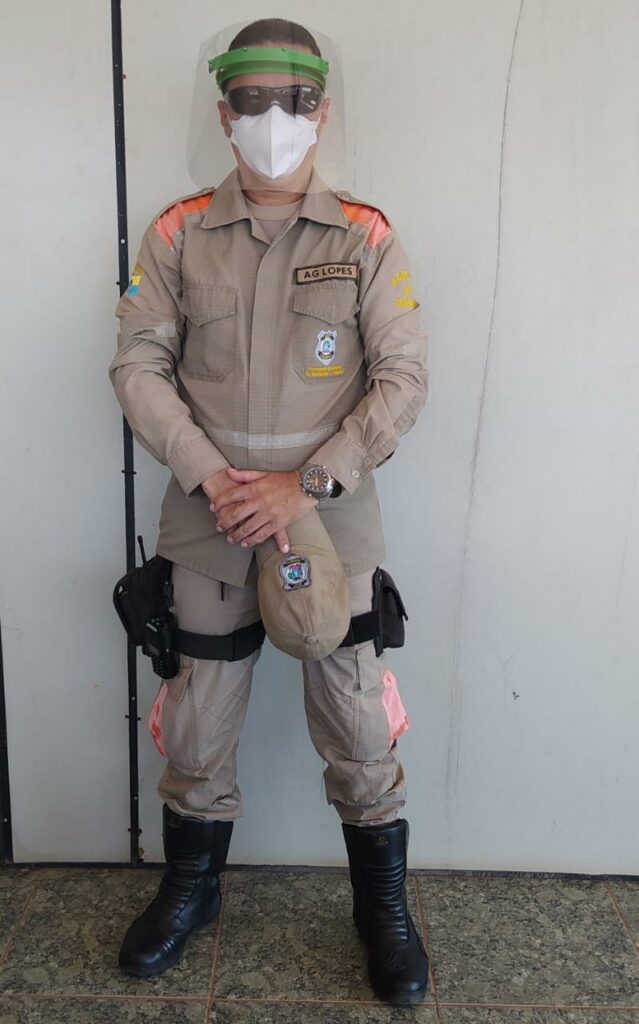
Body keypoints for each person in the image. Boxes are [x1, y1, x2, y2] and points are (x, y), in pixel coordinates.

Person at [109, 17, 430, 1006]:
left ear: (320, 111)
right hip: (209, 525)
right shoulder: (175, 233)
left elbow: (403, 379)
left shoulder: (365, 234)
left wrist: (307, 484)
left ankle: (382, 907)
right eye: (251, 101)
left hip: (329, 525)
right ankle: (191, 888)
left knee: (358, 724)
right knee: (197, 722)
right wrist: (213, 477)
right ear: (224, 113)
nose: (273, 120)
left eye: (294, 101)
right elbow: (137, 365)